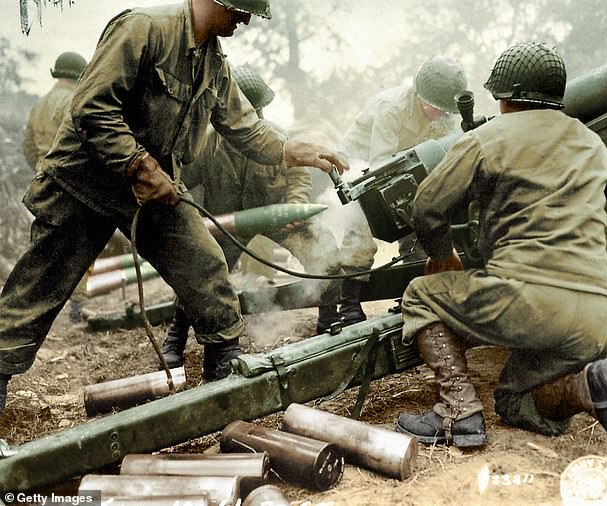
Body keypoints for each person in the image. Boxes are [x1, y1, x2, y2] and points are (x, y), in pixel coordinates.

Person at [0, 0, 348, 414]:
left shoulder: (214, 64)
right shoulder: (143, 28)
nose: (247, 19)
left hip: (155, 188)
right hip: (84, 182)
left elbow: (246, 129)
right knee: (36, 292)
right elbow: (91, 107)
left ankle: (223, 384)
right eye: (240, 10)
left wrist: (295, 149)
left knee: (206, 266)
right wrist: (138, 165)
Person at [394, 42, 607, 470]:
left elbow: (426, 207)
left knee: (420, 294)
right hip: (599, 320)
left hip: (527, 302)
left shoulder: (486, 139)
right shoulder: (591, 143)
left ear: (503, 97)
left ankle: (458, 411)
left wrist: (444, 254)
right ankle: (593, 388)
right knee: (516, 399)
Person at [161, 63, 342, 369]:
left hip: (277, 216)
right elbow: (180, 180)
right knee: (200, 271)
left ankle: (330, 318)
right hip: (228, 224)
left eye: (255, 112)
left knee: (321, 244)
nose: (251, 120)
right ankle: (176, 336)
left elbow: (299, 177)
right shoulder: (205, 144)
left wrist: (295, 205)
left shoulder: (279, 139)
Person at [322, 56, 467, 333]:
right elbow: (379, 167)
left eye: (445, 112)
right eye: (435, 108)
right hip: (365, 165)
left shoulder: (444, 112)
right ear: (419, 96)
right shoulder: (392, 109)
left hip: (411, 165)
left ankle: (412, 293)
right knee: (361, 224)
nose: (441, 115)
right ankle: (349, 304)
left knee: (424, 221)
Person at [22, 51, 90, 324]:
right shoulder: (74, 101)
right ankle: (76, 309)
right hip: (71, 183)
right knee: (80, 244)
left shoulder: (39, 105)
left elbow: (27, 146)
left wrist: (40, 168)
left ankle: (31, 313)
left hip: (42, 182)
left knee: (43, 248)